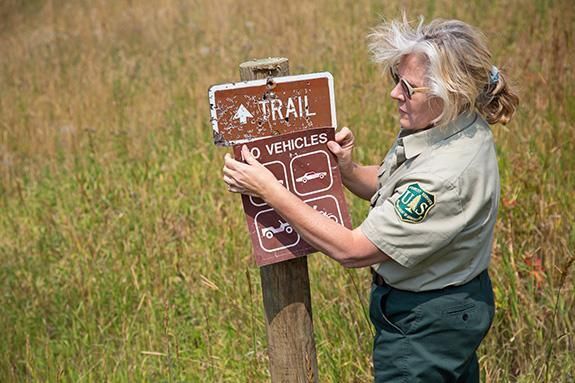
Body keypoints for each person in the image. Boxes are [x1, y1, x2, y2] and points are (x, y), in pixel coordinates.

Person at [223, 16, 519, 383]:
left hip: (424, 325)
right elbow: (392, 184)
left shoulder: (443, 178)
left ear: (449, 94)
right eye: (396, 80)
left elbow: (353, 249)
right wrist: (347, 170)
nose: (396, 94)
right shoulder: (452, 125)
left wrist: (267, 188)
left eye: (409, 88)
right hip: (453, 306)